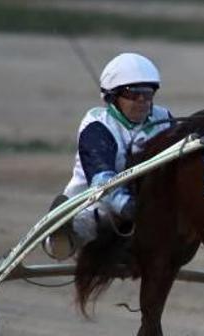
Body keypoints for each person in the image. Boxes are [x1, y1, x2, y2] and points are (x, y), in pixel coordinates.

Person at [45, 52, 173, 259]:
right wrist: (130, 208)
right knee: (93, 218)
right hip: (94, 202)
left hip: (146, 206)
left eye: (147, 94)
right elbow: (101, 179)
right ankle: (62, 234)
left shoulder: (163, 118)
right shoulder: (98, 125)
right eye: (133, 94)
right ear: (112, 96)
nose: (142, 100)